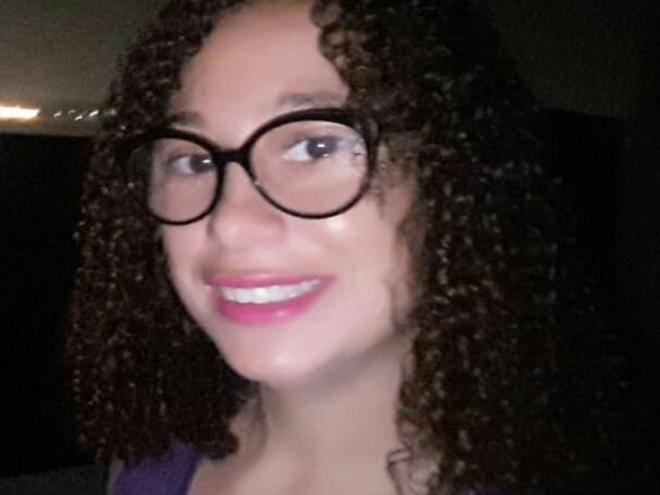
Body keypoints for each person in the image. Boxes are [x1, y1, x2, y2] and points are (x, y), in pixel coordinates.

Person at [67, 1, 611, 494]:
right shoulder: (151, 463)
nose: (230, 222)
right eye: (194, 161)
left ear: (450, 179)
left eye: (315, 145)